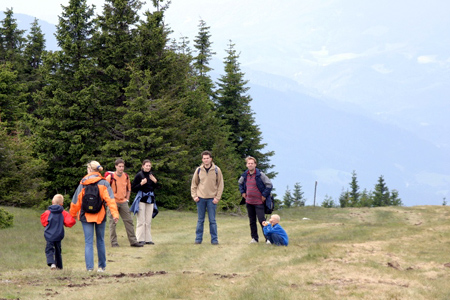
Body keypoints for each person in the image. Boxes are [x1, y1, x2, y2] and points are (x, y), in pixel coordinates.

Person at [70, 160, 119, 272]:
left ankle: (89, 268)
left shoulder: (83, 183)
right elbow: (110, 200)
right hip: (100, 215)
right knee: (100, 240)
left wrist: (72, 215)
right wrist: (115, 214)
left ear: (89, 170)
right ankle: (101, 267)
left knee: (88, 242)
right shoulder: (104, 183)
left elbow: (76, 201)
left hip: (85, 216)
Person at [105, 159, 143, 248]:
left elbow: (129, 189)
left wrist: (127, 199)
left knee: (129, 221)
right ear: (116, 166)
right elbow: (104, 190)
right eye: (120, 166)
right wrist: (109, 201)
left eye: (123, 166)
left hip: (123, 202)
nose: (121, 168)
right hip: (113, 203)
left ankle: (133, 241)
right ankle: (114, 242)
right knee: (112, 223)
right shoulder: (110, 177)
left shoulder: (126, 176)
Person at [190, 150, 224, 245]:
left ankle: (214, 240)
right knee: (200, 220)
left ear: (211, 159)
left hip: (212, 199)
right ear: (202, 159)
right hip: (200, 199)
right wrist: (195, 196)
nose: (206, 160)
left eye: (207, 158)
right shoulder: (199, 170)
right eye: (204, 158)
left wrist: (217, 198)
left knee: (212, 221)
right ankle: (198, 239)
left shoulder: (217, 170)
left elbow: (220, 185)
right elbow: (194, 184)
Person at [238, 156, 273, 244]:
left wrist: (264, 195)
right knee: (252, 221)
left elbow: (269, 185)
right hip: (249, 201)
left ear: (255, 164)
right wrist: (242, 193)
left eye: (252, 163)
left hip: (259, 202)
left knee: (262, 221)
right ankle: (254, 238)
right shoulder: (245, 175)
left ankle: (268, 238)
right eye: (248, 163)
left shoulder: (260, 174)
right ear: (246, 165)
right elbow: (240, 183)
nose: (250, 165)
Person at [40, 194, 76, 270]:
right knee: (58, 250)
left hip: (49, 235)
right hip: (59, 235)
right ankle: (59, 267)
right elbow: (70, 222)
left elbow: (44, 222)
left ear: (52, 202)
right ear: (61, 204)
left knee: (49, 249)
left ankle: (52, 263)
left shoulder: (47, 212)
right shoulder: (63, 213)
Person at [130, 159, 158, 245]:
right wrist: (141, 184)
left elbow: (156, 188)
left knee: (148, 221)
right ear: (143, 166)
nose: (148, 167)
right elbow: (133, 188)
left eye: (149, 166)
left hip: (150, 200)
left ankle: (148, 239)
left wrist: (155, 182)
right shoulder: (139, 175)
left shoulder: (151, 175)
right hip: (141, 199)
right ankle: (140, 239)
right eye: (146, 165)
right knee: (141, 220)